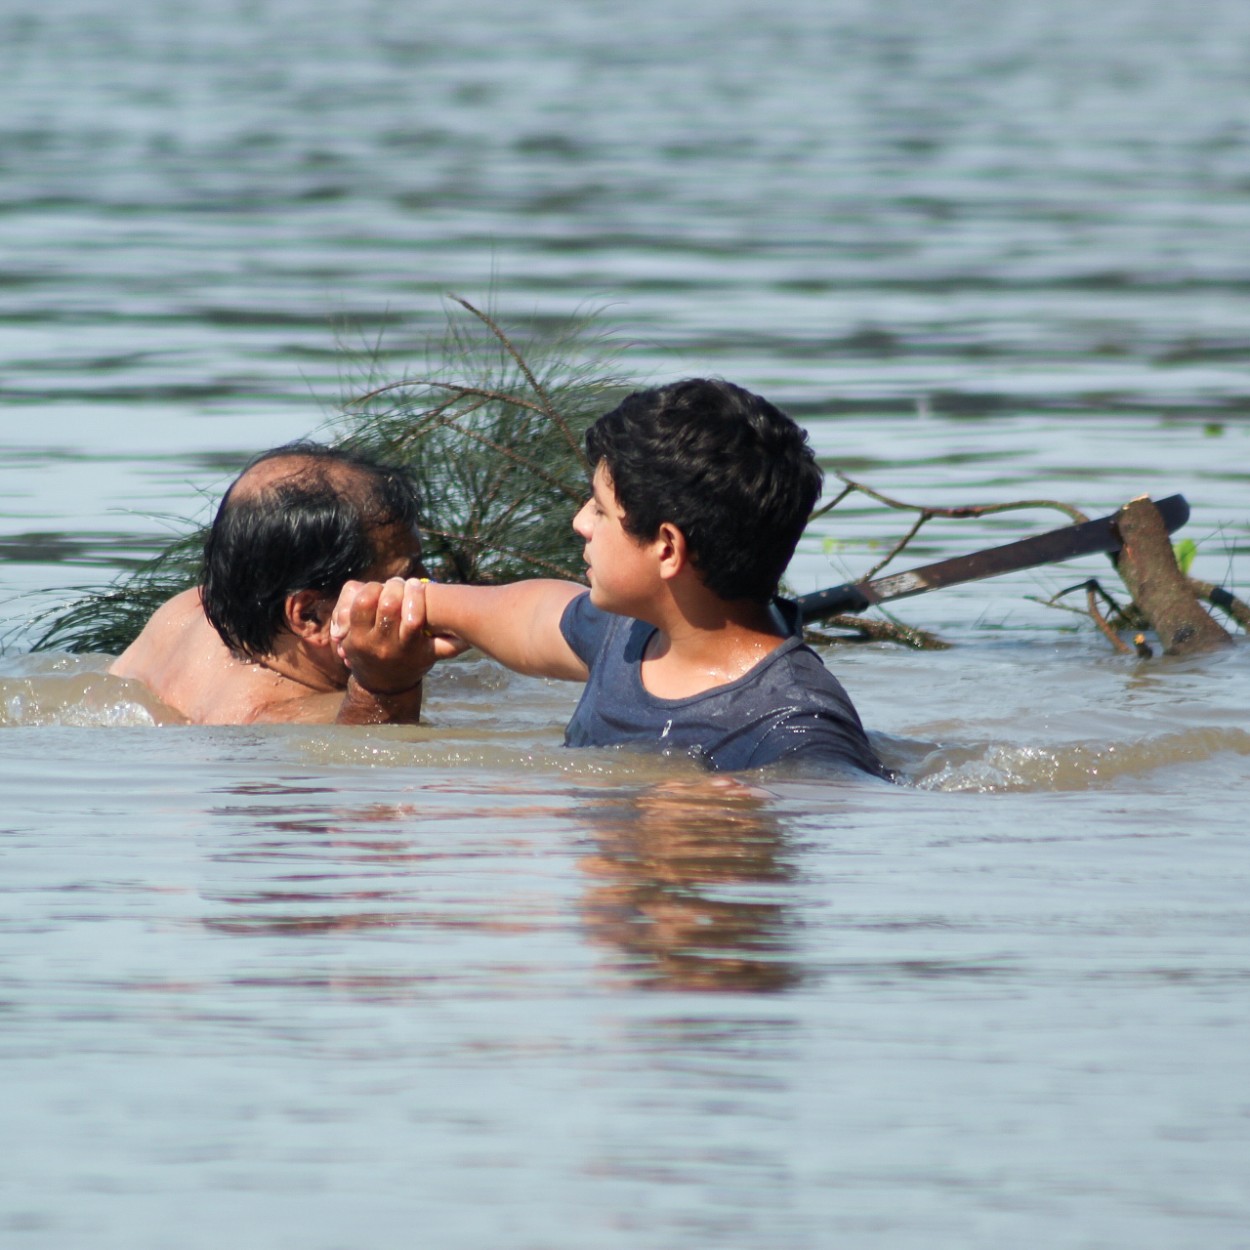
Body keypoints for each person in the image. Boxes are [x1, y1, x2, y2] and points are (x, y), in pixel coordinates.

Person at [332, 379, 890, 778]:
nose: (579, 522)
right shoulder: (632, 634)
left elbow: (832, 827)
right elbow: (530, 617)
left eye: (600, 509)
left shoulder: (795, 730)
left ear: (667, 548)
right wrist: (405, 604)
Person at [110, 441, 462, 724]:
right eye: (406, 577)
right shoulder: (274, 722)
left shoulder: (188, 609)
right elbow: (371, 764)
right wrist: (387, 688)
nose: (431, 584)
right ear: (309, 615)